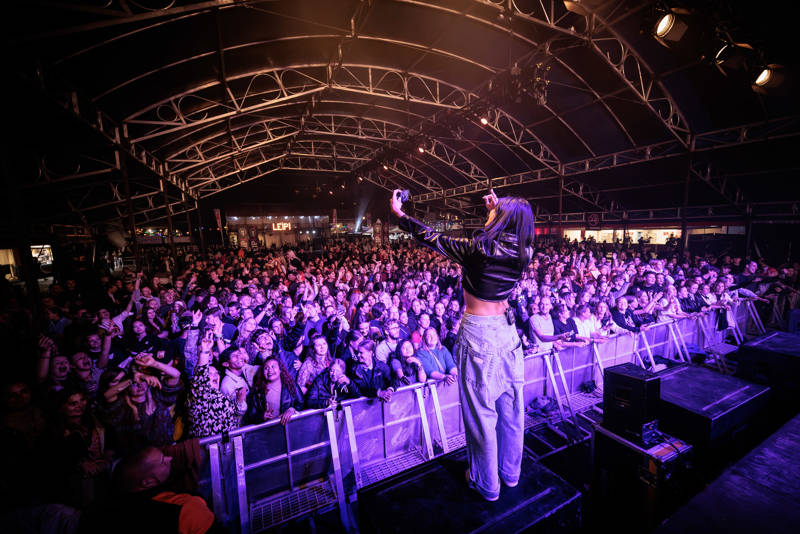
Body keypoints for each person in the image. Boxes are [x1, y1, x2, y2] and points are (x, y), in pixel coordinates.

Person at [391, 187, 533, 502]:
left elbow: (430, 237)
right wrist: (496, 213)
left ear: (503, 218)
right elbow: (499, 237)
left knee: (482, 414)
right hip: (508, 333)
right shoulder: (525, 251)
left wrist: (401, 215)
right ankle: (509, 474)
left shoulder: (476, 249)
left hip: (480, 333)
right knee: (511, 409)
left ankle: (487, 483)